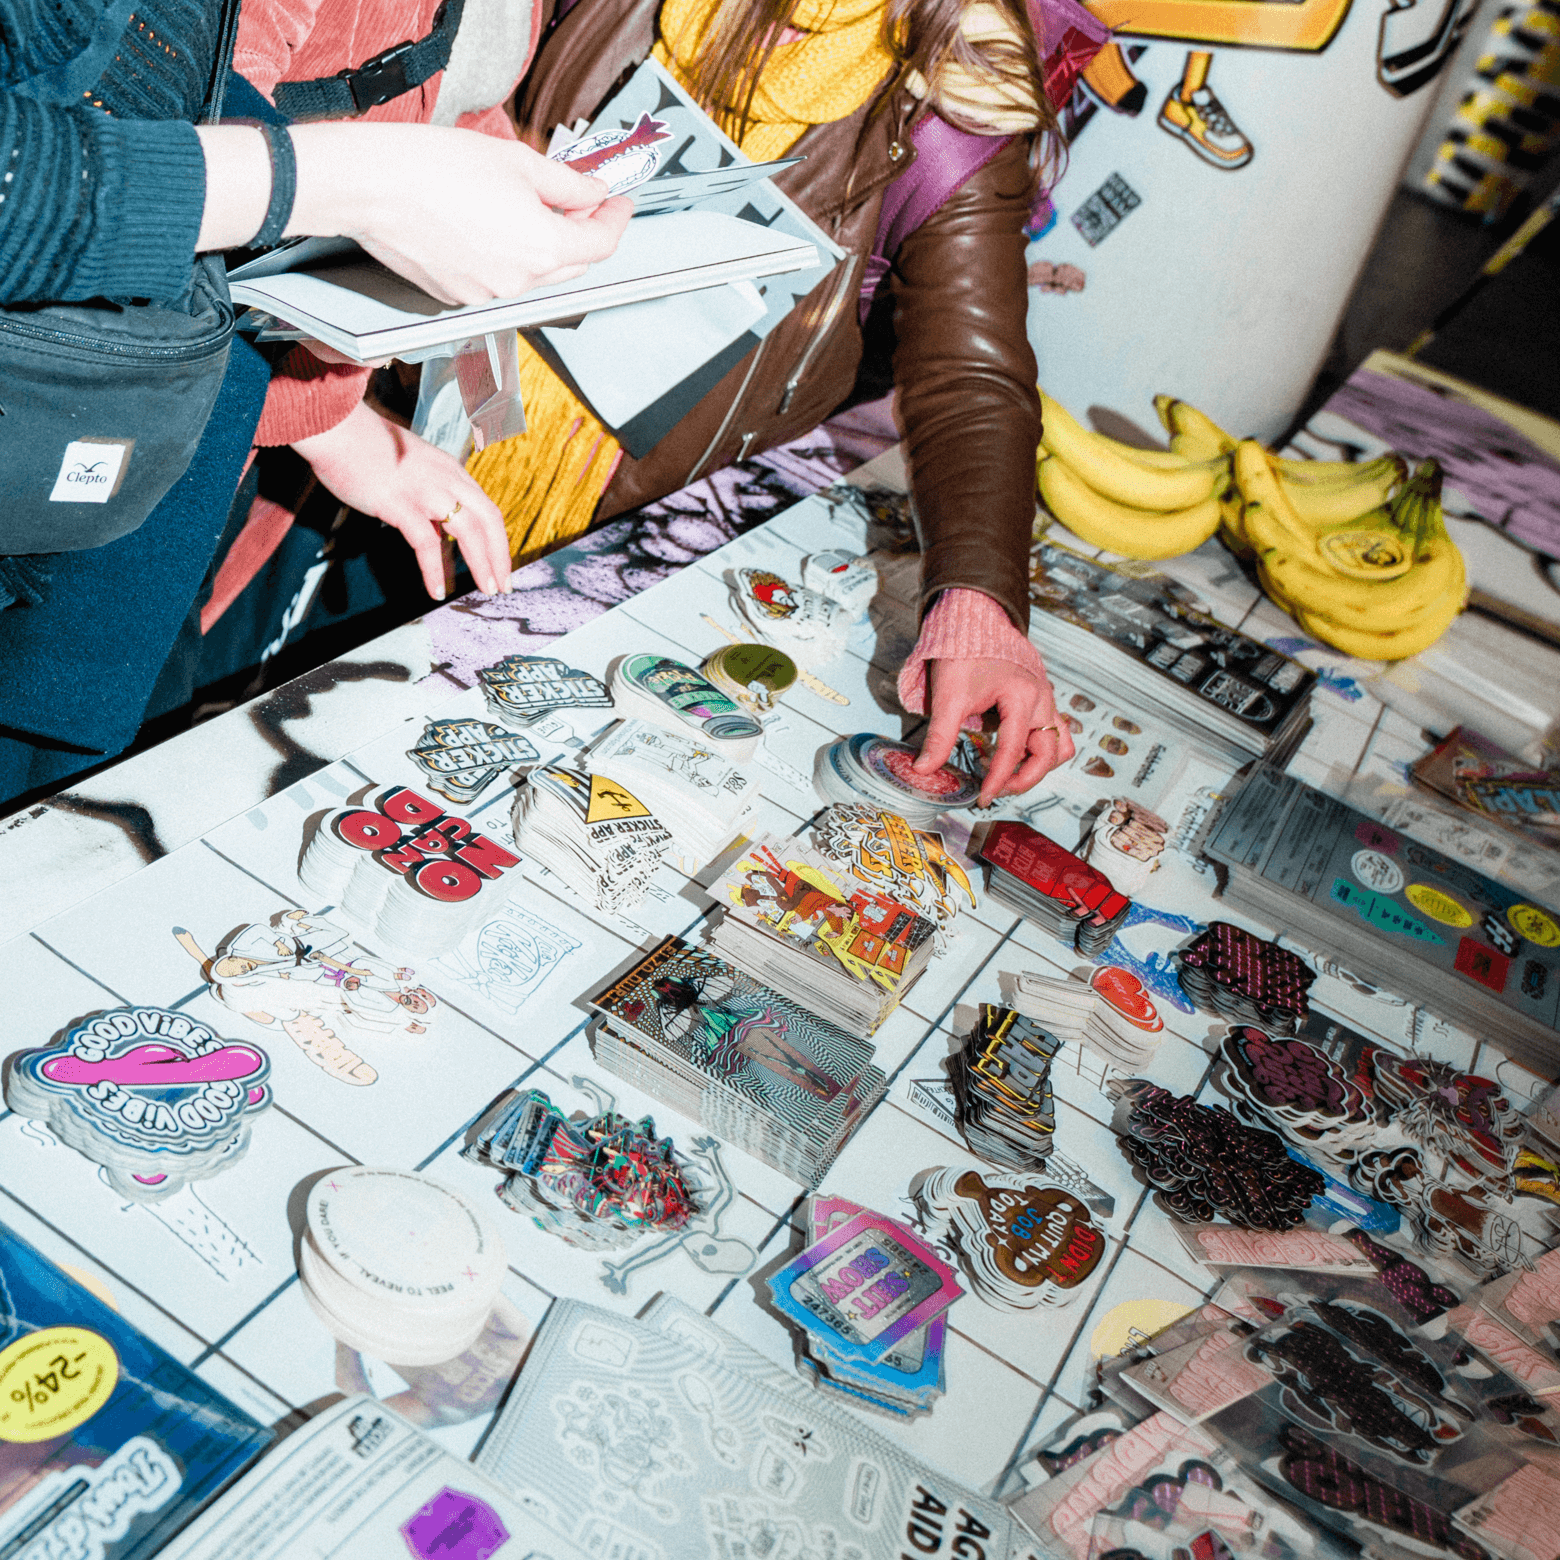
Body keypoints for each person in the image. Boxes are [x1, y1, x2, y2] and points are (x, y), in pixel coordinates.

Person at [0, 0, 630, 808]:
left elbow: (456, 93)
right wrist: (330, 398)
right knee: (62, 785)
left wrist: (521, 196)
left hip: (184, 429)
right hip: (110, 425)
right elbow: (129, 127)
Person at [475, 0, 1089, 805]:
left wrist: (977, 600)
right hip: (420, 414)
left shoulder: (950, 89)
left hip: (609, 532)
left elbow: (970, 379)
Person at [231, 0, 547, 601]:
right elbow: (205, 144)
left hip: (330, 390)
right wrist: (329, 426)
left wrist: (530, 203)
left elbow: (468, 98)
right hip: (196, 388)